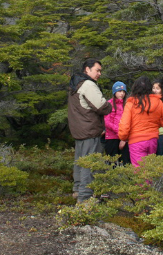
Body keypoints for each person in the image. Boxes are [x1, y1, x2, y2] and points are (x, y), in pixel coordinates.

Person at [67, 58, 112, 203]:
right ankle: (85, 198)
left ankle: (77, 190)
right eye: (97, 70)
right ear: (87, 69)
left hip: (79, 130)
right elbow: (101, 106)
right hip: (90, 130)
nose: (99, 73)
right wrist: (109, 106)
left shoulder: (75, 85)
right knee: (90, 164)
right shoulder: (88, 85)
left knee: (79, 162)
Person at [118, 76, 163, 167]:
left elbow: (124, 126)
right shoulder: (157, 101)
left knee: (139, 172)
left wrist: (123, 137)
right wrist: (156, 124)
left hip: (136, 141)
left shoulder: (131, 103)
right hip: (152, 140)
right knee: (150, 170)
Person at [104, 81, 131, 165]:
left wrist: (124, 134)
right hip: (111, 137)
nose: (122, 94)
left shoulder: (127, 104)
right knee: (112, 162)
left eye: (123, 91)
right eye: (119, 91)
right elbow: (107, 121)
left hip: (124, 137)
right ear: (114, 92)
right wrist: (119, 130)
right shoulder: (109, 104)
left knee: (126, 161)